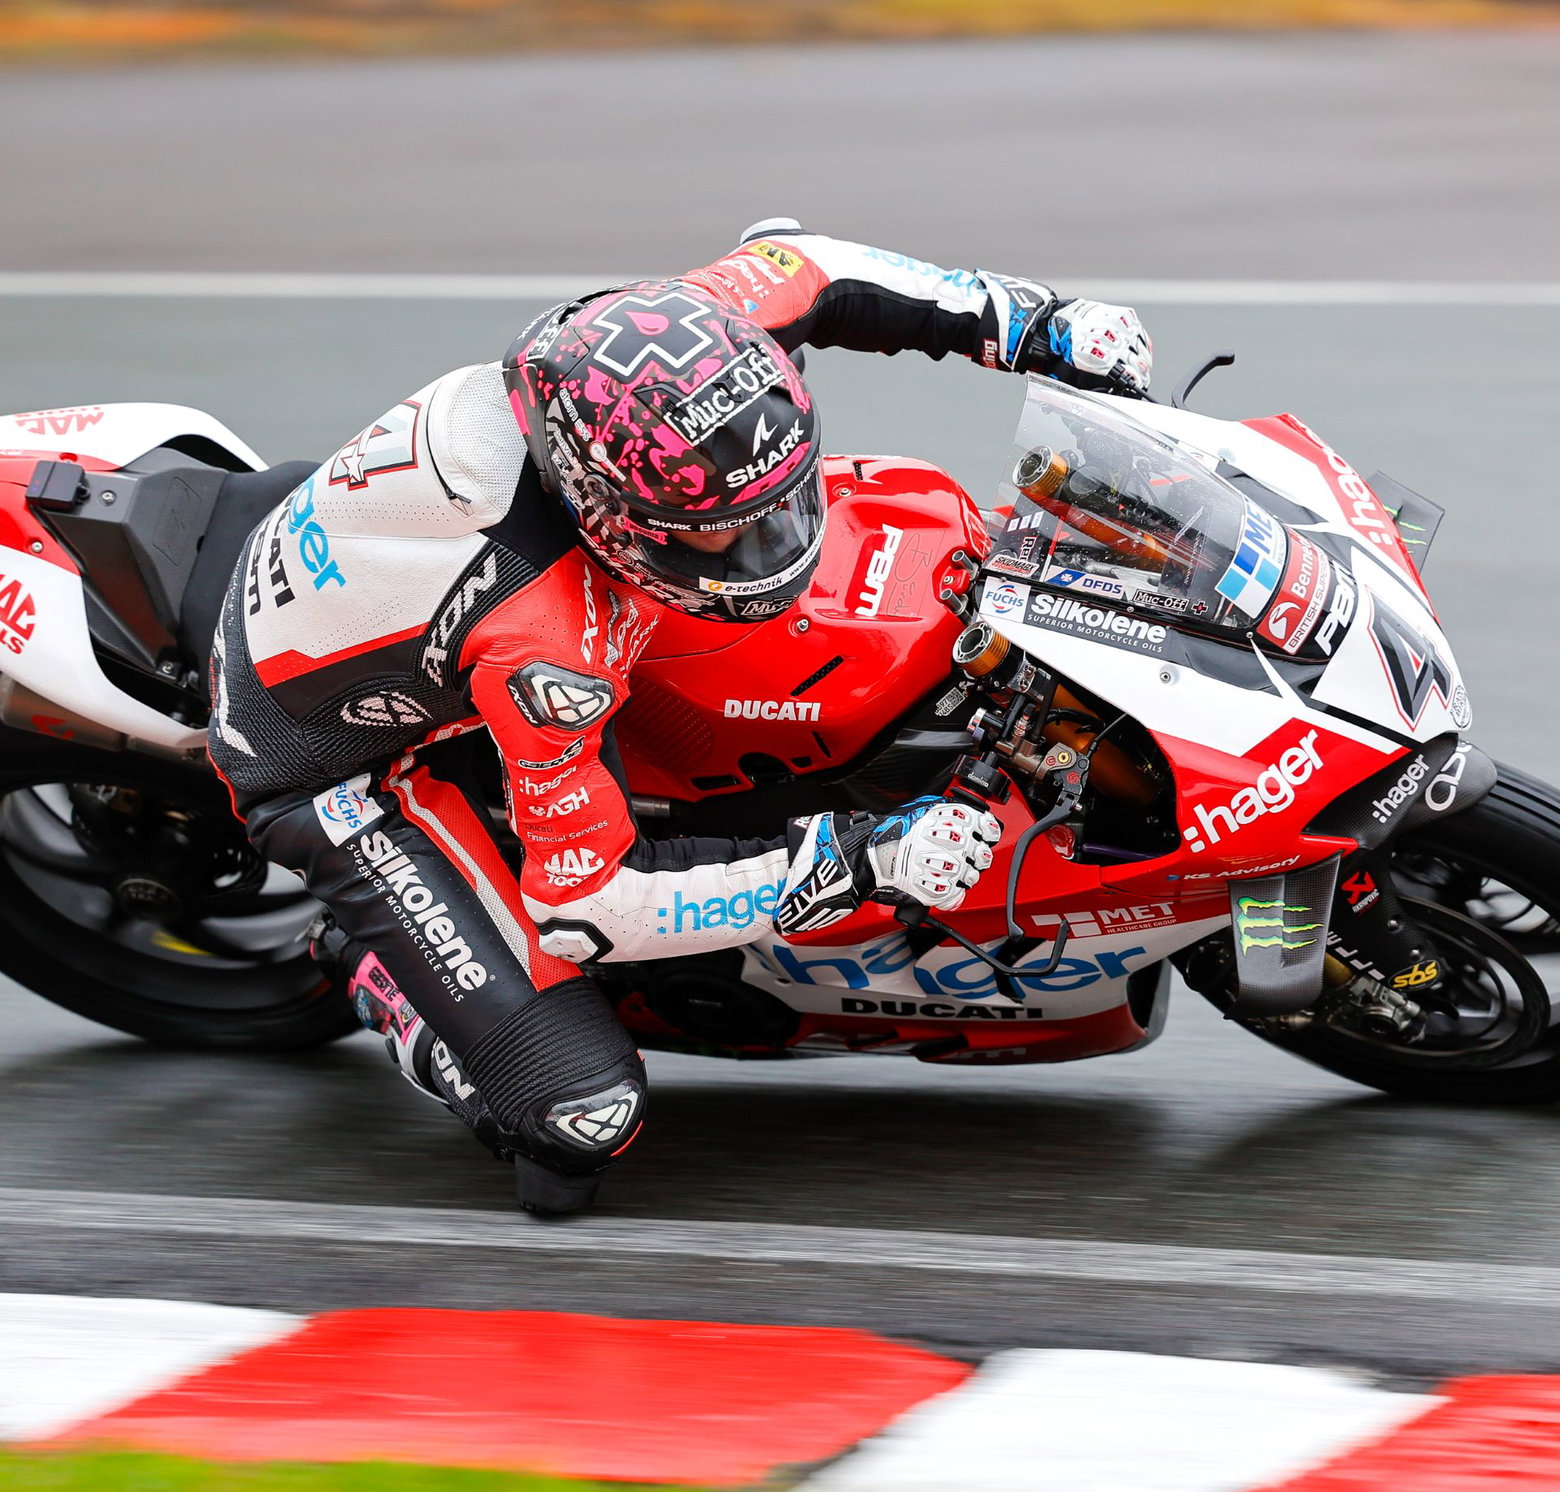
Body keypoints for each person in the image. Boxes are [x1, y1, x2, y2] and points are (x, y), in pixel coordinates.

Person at [206, 221, 1154, 1214]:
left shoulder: (677, 348)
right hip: (345, 765)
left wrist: (1035, 323)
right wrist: (870, 857)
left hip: (395, 591)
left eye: (776, 507)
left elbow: (813, 263)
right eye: (719, 531)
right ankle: (366, 964)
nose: (766, 542)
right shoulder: (550, 641)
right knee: (580, 1119)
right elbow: (590, 905)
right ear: (604, 511)